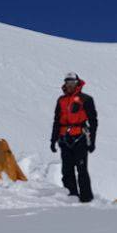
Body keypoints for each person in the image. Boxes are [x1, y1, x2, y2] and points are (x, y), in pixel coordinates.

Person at [50, 72, 98, 203]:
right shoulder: (61, 100)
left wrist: (92, 141)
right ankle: (72, 197)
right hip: (64, 139)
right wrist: (53, 140)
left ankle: (87, 199)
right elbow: (56, 121)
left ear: (78, 83)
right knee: (67, 170)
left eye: (73, 83)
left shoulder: (86, 99)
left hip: (80, 138)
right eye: (67, 82)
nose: (70, 85)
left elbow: (93, 121)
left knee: (82, 170)